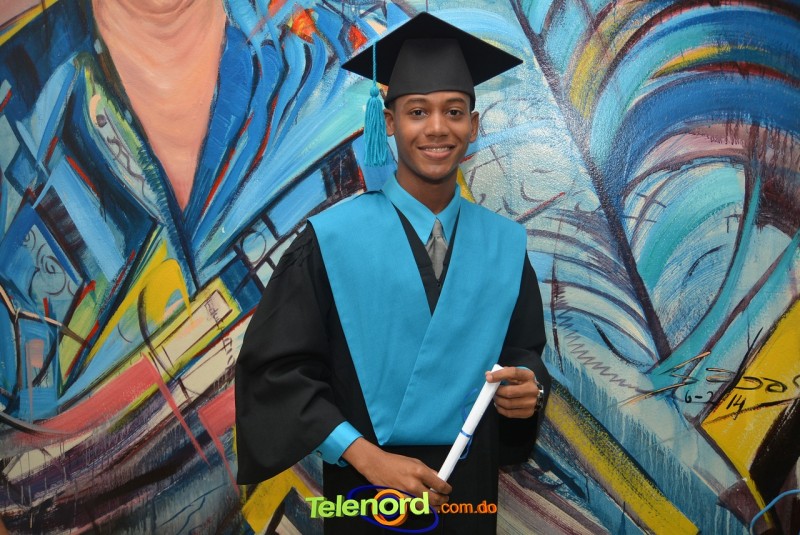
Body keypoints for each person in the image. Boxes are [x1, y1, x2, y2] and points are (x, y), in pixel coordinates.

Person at [235, 12, 550, 534]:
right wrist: (365, 456)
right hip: (364, 496)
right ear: (388, 122)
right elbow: (276, 373)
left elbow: (523, 352)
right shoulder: (331, 240)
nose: (437, 128)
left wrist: (528, 389)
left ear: (473, 126)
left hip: (468, 496)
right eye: (417, 111)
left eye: (454, 112)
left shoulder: (504, 246)